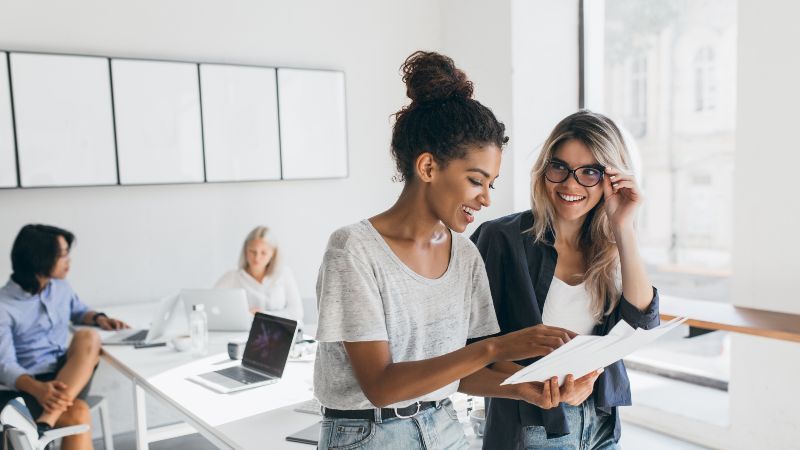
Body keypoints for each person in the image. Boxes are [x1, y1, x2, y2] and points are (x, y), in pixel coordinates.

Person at [313, 51, 575, 450]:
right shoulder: (353, 250)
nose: (486, 198)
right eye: (476, 180)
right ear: (428, 168)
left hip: (444, 425)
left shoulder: (465, 256)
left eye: (491, 184)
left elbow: (460, 372)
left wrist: (524, 389)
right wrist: (497, 347)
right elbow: (381, 387)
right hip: (368, 434)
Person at [470, 110, 660, 449]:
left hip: (600, 424)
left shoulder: (610, 246)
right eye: (559, 167)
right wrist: (547, 386)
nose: (570, 185)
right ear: (544, 169)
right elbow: (474, 348)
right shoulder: (501, 238)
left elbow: (641, 323)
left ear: (611, 180)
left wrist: (624, 226)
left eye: (590, 172)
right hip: (533, 426)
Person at [0, 224, 129, 450]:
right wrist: (39, 389)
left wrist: (98, 318)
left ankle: (44, 423)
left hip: (66, 378)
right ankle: (44, 424)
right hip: (24, 388)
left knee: (88, 336)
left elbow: (78, 311)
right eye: (62, 255)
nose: (68, 261)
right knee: (78, 412)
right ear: (39, 258)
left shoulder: (61, 287)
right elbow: (5, 366)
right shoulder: (4, 305)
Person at [214, 226, 303, 322]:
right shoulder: (232, 277)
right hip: (244, 330)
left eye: (263, 253)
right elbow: (213, 306)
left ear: (273, 254)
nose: (257, 258)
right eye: (252, 251)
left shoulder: (284, 274)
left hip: (278, 330)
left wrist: (262, 315)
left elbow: (297, 313)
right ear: (245, 251)